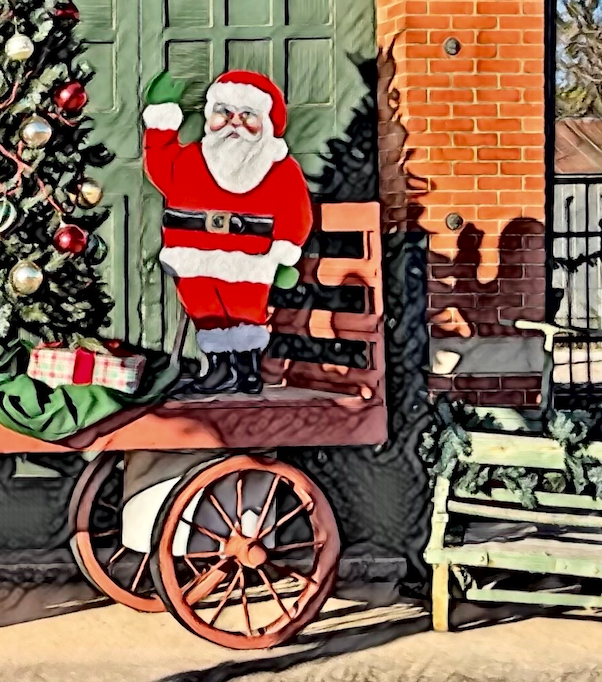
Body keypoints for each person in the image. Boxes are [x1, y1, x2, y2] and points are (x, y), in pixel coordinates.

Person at [142, 70, 313, 394]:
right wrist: (162, 117)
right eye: (224, 112)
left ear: (265, 122)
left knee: (246, 313)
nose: (234, 122)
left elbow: (297, 211)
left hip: (251, 258)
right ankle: (220, 368)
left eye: (247, 115)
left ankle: (247, 370)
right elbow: (159, 163)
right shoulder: (192, 158)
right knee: (205, 312)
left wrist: (286, 251)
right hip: (192, 255)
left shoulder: (279, 167)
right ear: (211, 116)